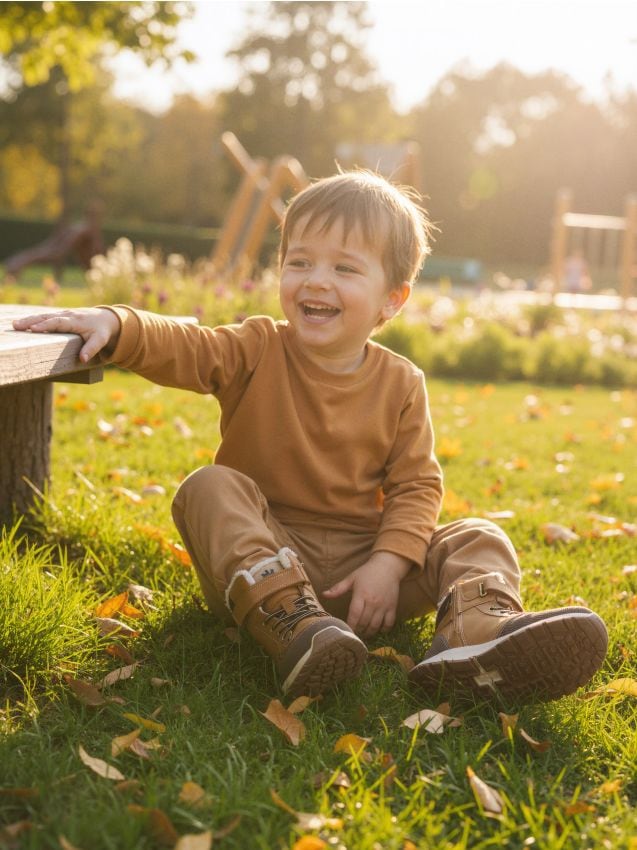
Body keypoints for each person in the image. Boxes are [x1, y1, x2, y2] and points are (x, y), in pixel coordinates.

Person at [13, 172, 608, 703]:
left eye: (345, 268)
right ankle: (297, 631)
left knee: (478, 535)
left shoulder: (401, 382)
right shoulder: (256, 348)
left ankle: (473, 639)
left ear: (391, 300)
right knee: (209, 486)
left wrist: (387, 563)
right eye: (299, 262)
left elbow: (416, 485)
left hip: (366, 578)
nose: (315, 281)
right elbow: (191, 346)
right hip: (263, 564)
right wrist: (119, 324)